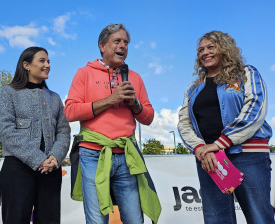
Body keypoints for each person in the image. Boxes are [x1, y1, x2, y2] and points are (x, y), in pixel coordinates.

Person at [65, 24, 161, 224]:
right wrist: (110, 99)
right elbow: (70, 111)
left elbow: (149, 117)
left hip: (126, 155)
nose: (123, 46)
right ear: (102, 46)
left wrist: (134, 105)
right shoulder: (84, 73)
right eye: (117, 41)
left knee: (135, 219)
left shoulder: (134, 77)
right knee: (97, 220)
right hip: (92, 155)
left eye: (126, 42)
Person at [178, 31, 273, 224]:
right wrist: (201, 149)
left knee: (259, 218)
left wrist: (221, 143)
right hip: (211, 160)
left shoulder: (247, 74)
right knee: (216, 219)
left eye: (211, 47)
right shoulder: (193, 89)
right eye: (201, 50)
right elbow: (184, 123)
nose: (204, 52)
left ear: (225, 49)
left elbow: (254, 107)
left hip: (248, 156)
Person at [0, 46, 71, 224]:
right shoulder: (9, 92)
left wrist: (55, 157)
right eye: (42, 61)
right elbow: (6, 130)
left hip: (51, 170)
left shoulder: (54, 97)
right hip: (17, 169)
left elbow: (64, 130)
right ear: (26, 65)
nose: (47, 65)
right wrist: (38, 159)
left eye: (48, 61)